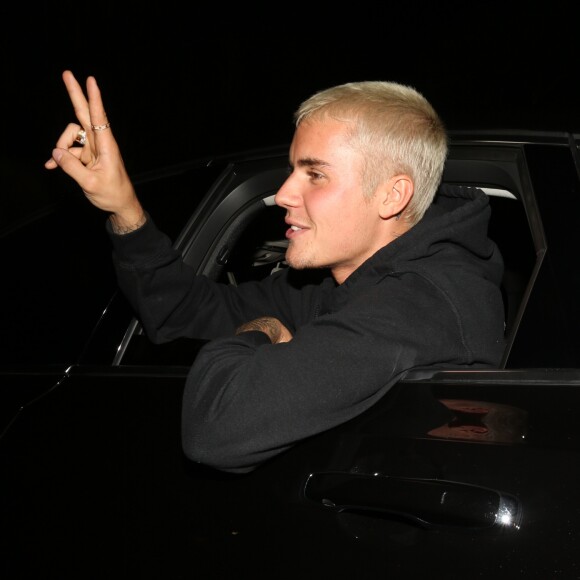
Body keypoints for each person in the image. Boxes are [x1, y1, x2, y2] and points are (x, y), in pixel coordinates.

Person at [46, 71, 506, 473]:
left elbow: (216, 428)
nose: (283, 193)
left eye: (315, 174)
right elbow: (189, 309)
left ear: (392, 196)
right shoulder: (339, 283)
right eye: (291, 171)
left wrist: (261, 331)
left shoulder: (418, 308)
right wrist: (124, 207)